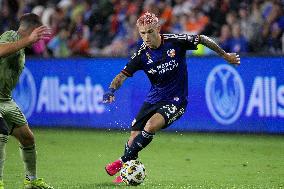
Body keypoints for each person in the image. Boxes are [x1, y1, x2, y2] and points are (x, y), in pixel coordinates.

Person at [103, 12, 240, 183]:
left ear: (158, 29)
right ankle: (125, 173)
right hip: (154, 98)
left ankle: (121, 161)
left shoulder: (175, 41)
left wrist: (225, 55)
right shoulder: (141, 55)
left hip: (176, 100)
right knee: (133, 136)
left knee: (151, 126)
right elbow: (122, 76)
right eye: (142, 33)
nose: (146, 37)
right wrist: (111, 91)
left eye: (150, 31)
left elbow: (203, 39)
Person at [0, 13, 53, 189]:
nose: (39, 38)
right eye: (38, 32)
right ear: (31, 29)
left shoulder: (22, 48)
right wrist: (28, 40)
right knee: (0, 134)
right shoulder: (10, 36)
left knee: (27, 138)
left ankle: (31, 181)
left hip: (6, 100)